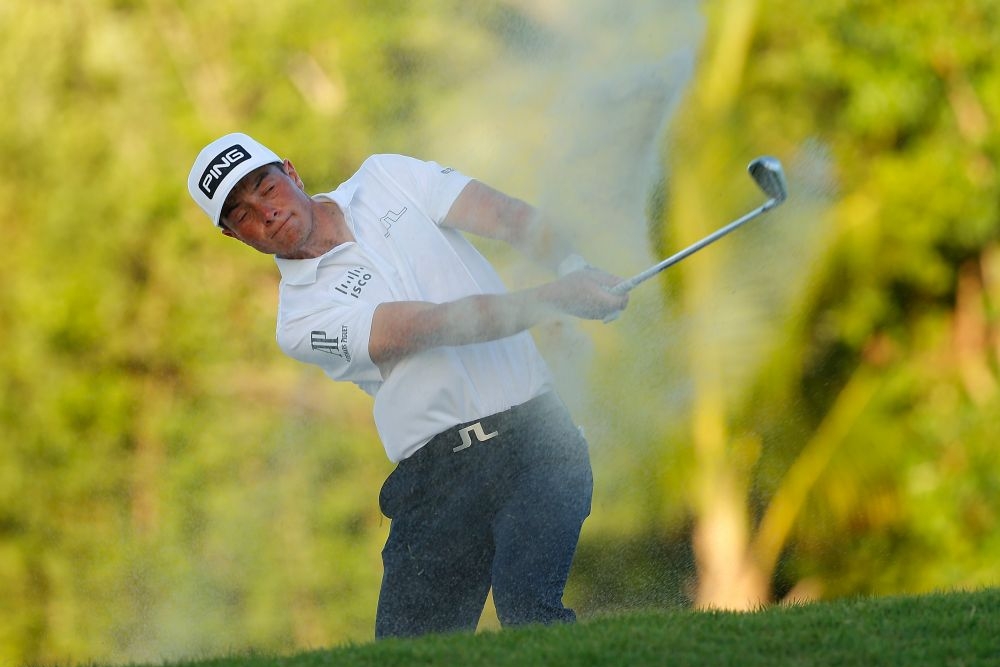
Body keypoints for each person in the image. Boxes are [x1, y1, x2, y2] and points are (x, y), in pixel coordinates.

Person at [187, 133, 629, 639]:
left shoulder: (386, 177)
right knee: (406, 650)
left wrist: (573, 268)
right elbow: (432, 326)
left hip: (538, 439)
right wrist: (556, 297)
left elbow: (505, 216)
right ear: (233, 236)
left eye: (265, 187)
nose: (264, 212)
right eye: (241, 213)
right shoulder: (300, 320)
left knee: (530, 610)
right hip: (436, 482)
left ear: (291, 172)